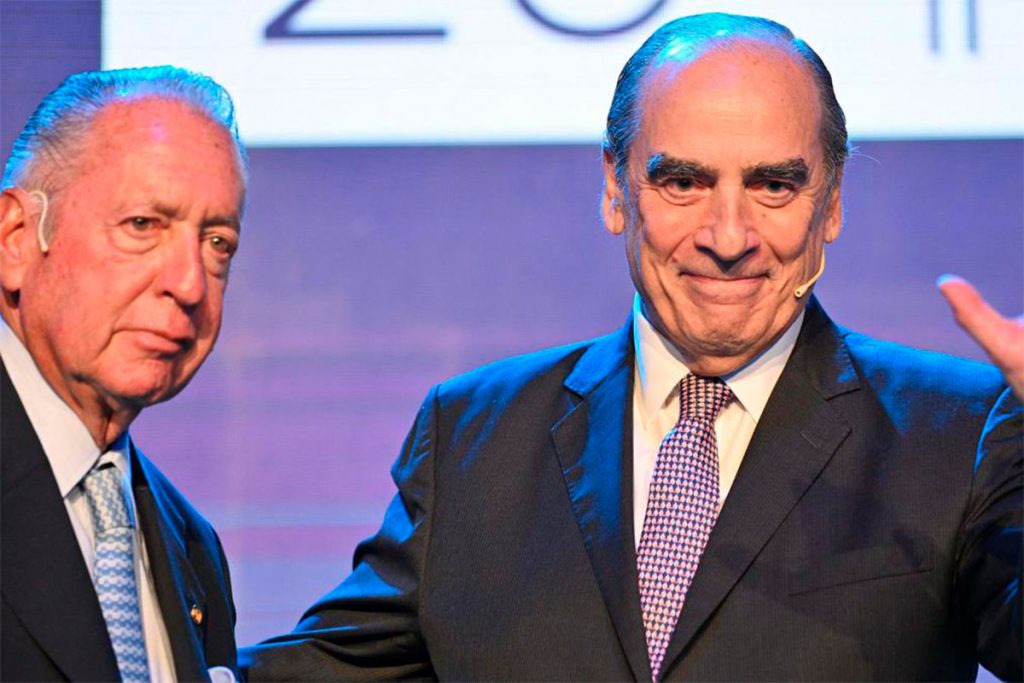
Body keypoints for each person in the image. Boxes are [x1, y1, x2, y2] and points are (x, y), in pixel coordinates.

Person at [242, 13, 1022, 682]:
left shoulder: (963, 433)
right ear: (616, 189)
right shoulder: (473, 437)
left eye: (773, 185)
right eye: (683, 182)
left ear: (833, 201)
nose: (728, 237)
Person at [1, 66, 246, 682]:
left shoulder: (192, 546)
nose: (189, 284)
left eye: (217, 243)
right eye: (143, 225)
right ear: (16, 239)